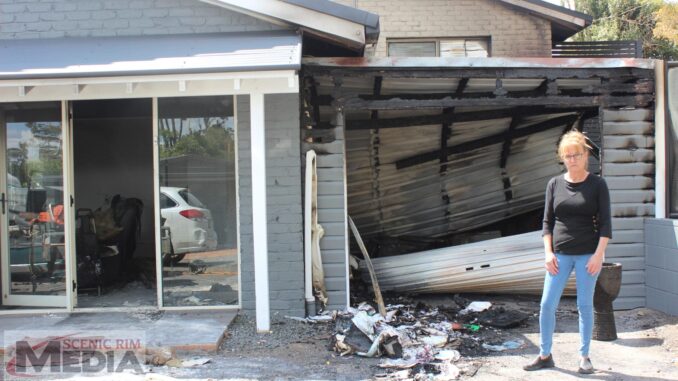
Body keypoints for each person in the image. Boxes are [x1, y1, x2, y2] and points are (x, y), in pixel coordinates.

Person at [523, 130, 611, 374]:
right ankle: (544, 354)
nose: (572, 159)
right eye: (567, 155)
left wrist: (598, 255)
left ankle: (584, 357)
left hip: (587, 255)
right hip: (559, 255)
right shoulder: (554, 184)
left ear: (585, 156)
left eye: (577, 154)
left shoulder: (597, 184)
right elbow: (546, 223)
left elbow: (606, 224)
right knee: (547, 304)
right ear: (562, 157)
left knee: (584, 306)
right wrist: (548, 253)